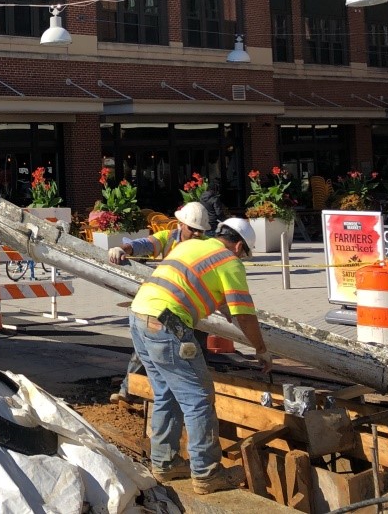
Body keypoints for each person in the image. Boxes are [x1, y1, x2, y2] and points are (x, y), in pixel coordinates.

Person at [128, 224, 272, 495]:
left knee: (166, 392)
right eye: (244, 254)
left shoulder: (192, 246)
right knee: (199, 397)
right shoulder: (230, 261)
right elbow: (243, 314)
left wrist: (232, 314)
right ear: (239, 246)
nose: (241, 259)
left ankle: (165, 462)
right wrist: (261, 348)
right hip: (168, 322)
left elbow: (220, 300)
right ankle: (207, 473)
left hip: (138, 316)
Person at [105, 202, 212, 404]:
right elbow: (143, 244)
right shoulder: (168, 238)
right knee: (144, 351)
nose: (197, 234)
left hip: (191, 310)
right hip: (167, 309)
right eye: (193, 230)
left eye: (200, 231)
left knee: (195, 351)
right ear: (181, 224)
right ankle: (127, 391)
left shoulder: (205, 245)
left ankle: (197, 394)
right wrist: (122, 248)